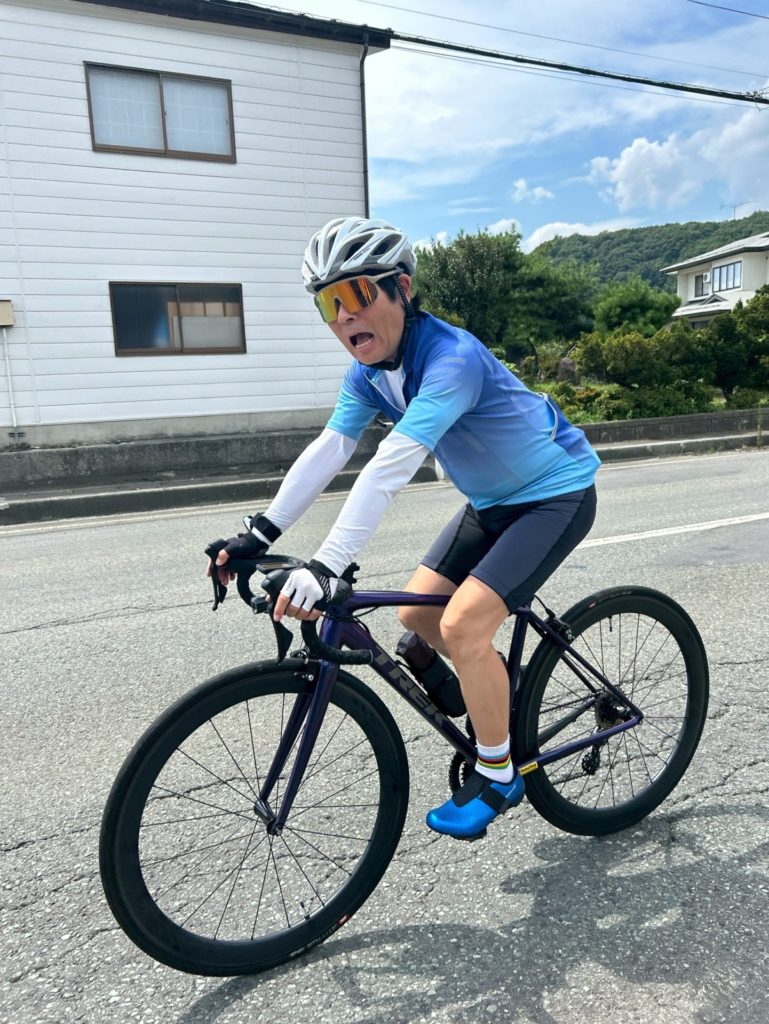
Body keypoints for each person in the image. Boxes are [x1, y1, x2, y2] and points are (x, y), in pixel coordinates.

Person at [208, 215, 600, 840]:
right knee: (417, 616)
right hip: (491, 502)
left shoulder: (451, 358)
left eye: (357, 293)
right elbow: (332, 449)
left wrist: (327, 563)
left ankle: (499, 774)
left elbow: (392, 464)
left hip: (555, 495)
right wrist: (259, 535)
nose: (344, 316)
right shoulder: (366, 374)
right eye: (328, 303)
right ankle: (496, 691)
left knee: (462, 625)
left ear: (403, 290)